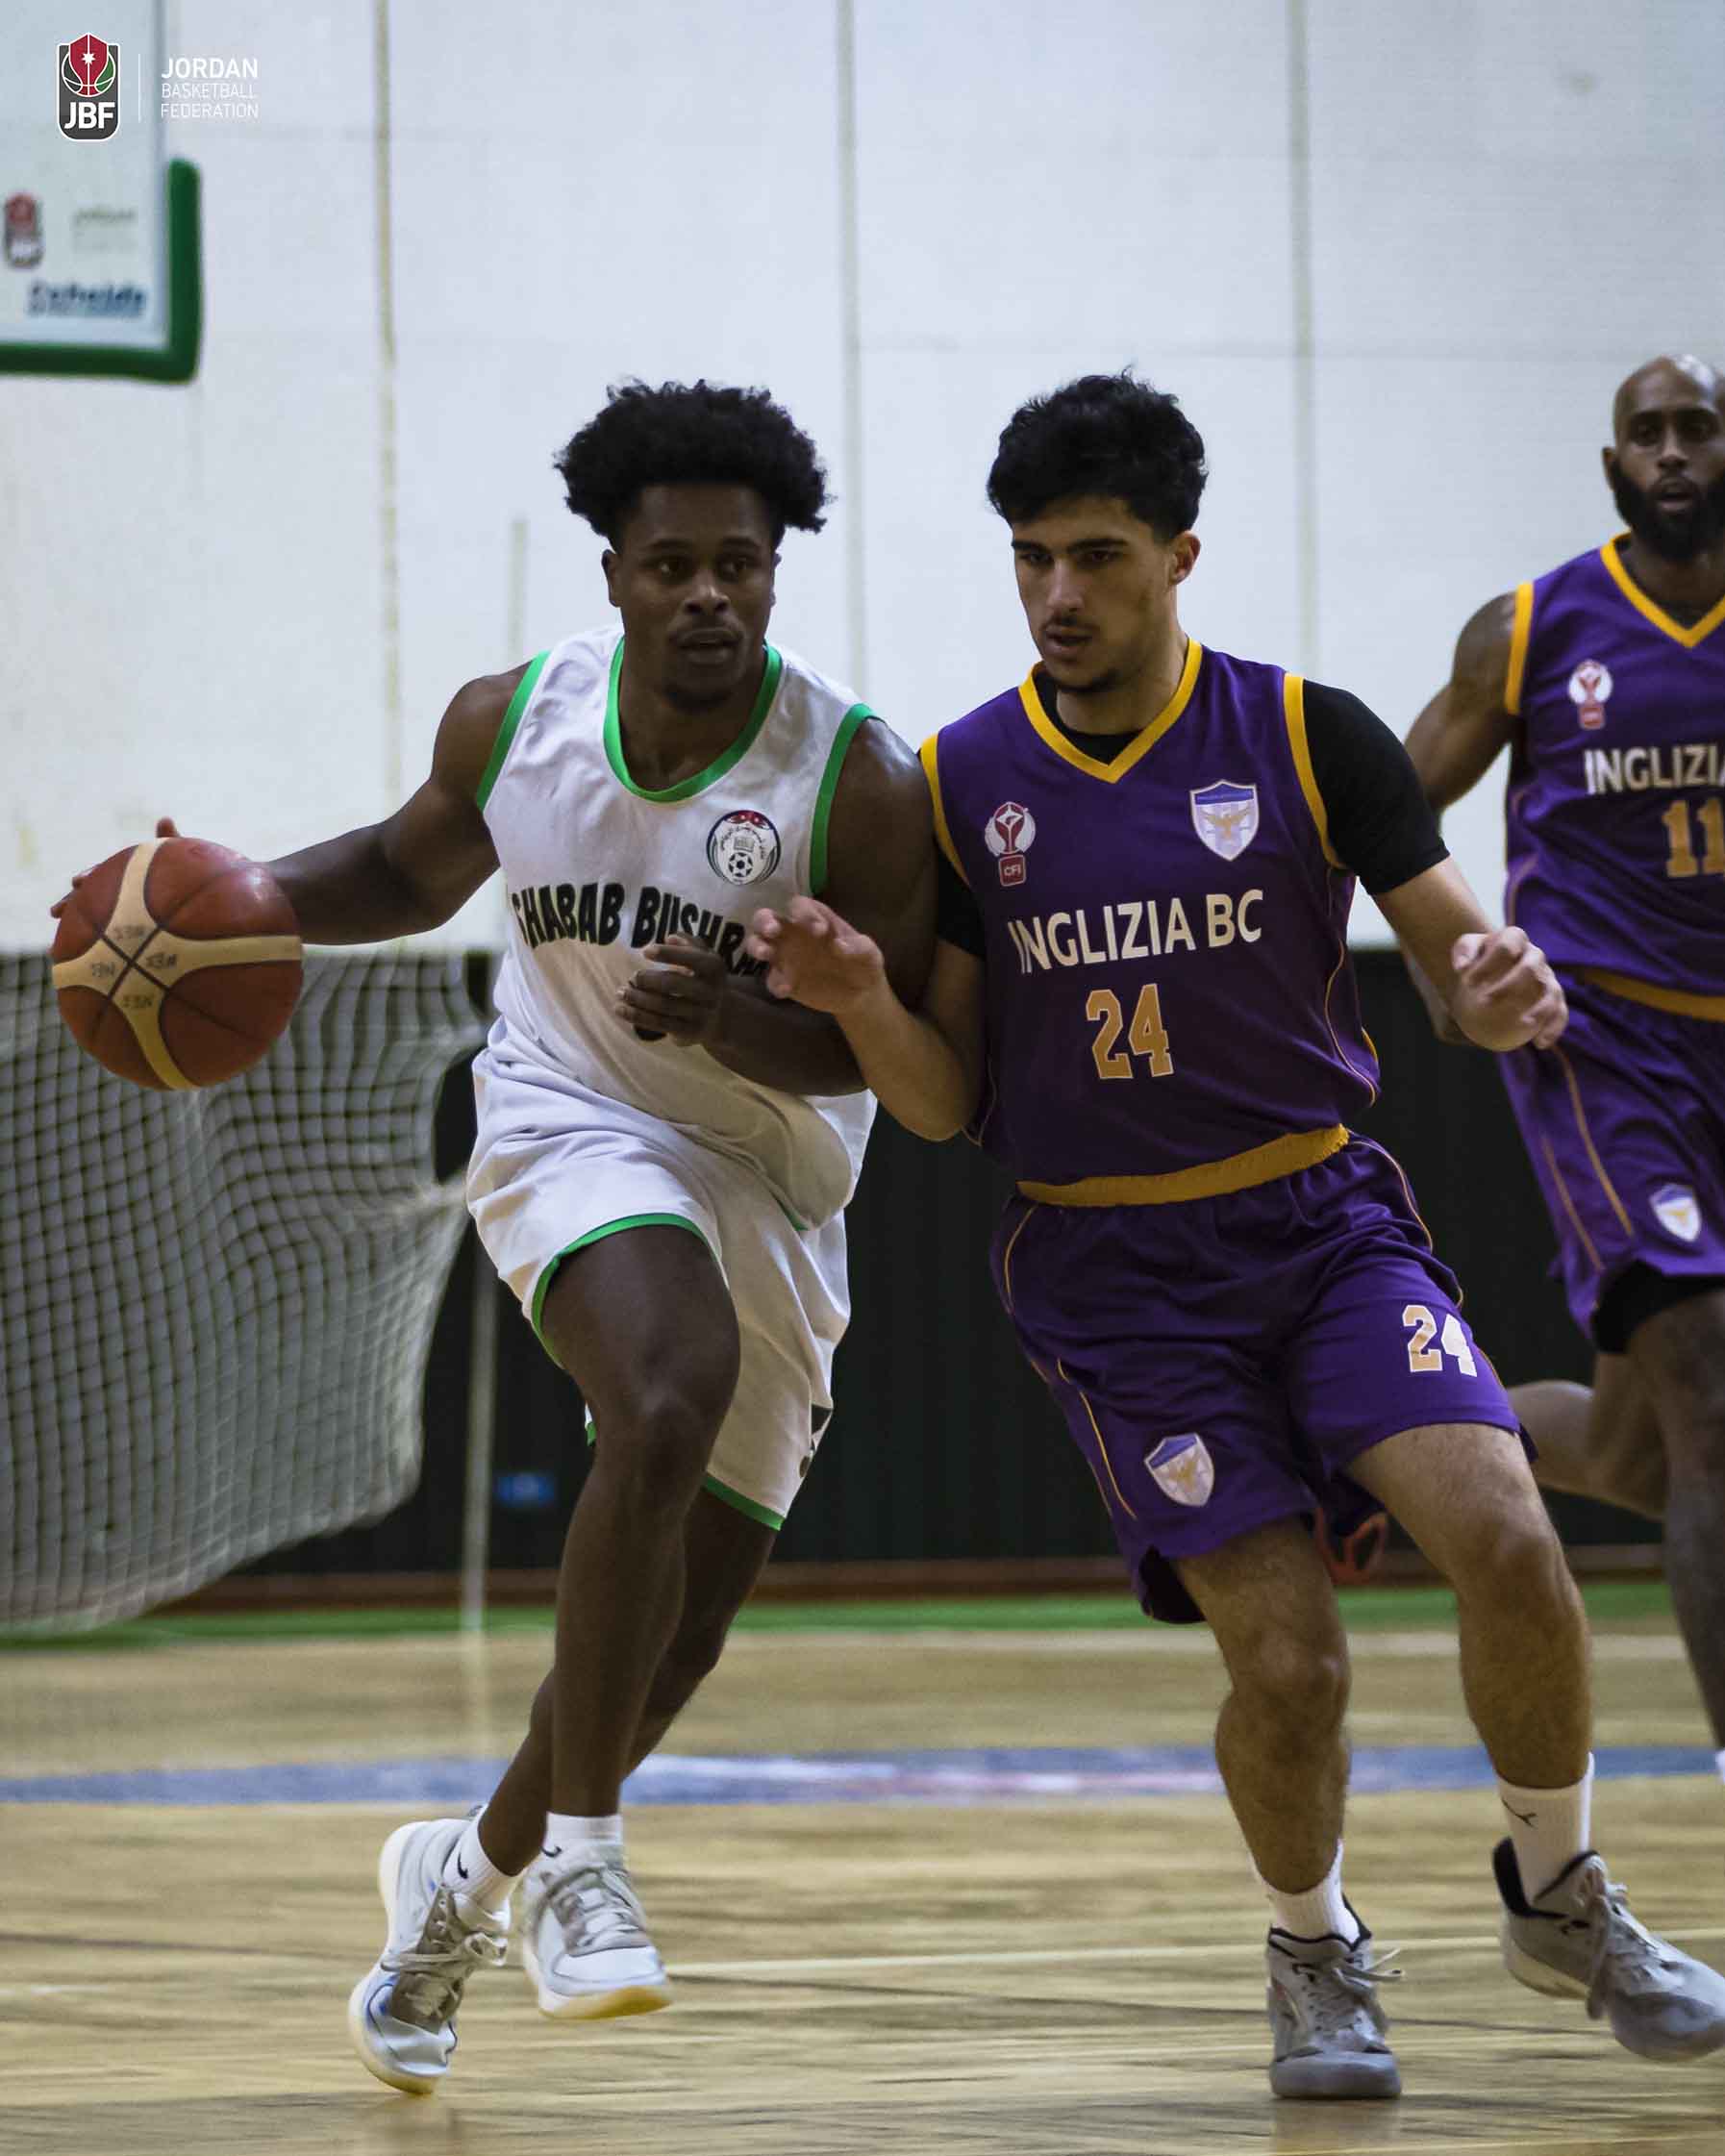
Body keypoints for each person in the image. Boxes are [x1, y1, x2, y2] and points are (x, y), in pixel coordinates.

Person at [746, 372, 1725, 2100]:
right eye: (1032, 558)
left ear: (1179, 555)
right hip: (1116, 1272)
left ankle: (1560, 1889)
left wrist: (1495, 988)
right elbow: (944, 1104)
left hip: (1322, 1223)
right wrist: (855, 998)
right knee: (1289, 1661)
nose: (1058, 595)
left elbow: (1454, 957)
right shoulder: (961, 779)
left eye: (1097, 556)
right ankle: (1312, 1949)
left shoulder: (1306, 732)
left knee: (1509, 1538)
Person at [57, 381, 934, 2093]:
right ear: (613, 573)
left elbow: (896, 1051)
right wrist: (221, 905)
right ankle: (586, 1865)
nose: (707, 595)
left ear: (775, 573)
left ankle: (459, 1885)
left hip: (770, 1165)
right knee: (662, 1391)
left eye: (739, 566)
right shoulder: (515, 720)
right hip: (566, 1115)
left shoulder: (861, 778)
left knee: (675, 1638)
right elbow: (406, 869)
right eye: (672, 565)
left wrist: (743, 1021)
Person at [1405, 354, 1725, 1767]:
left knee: (1630, 1448)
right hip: (1605, 1044)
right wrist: (1446, 968)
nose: (1671, 451)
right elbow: (1381, 809)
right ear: (1612, 468)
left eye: (1696, 427)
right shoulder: (1531, 630)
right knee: (1709, 1385)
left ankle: (1374, 1436)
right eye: (1646, 433)